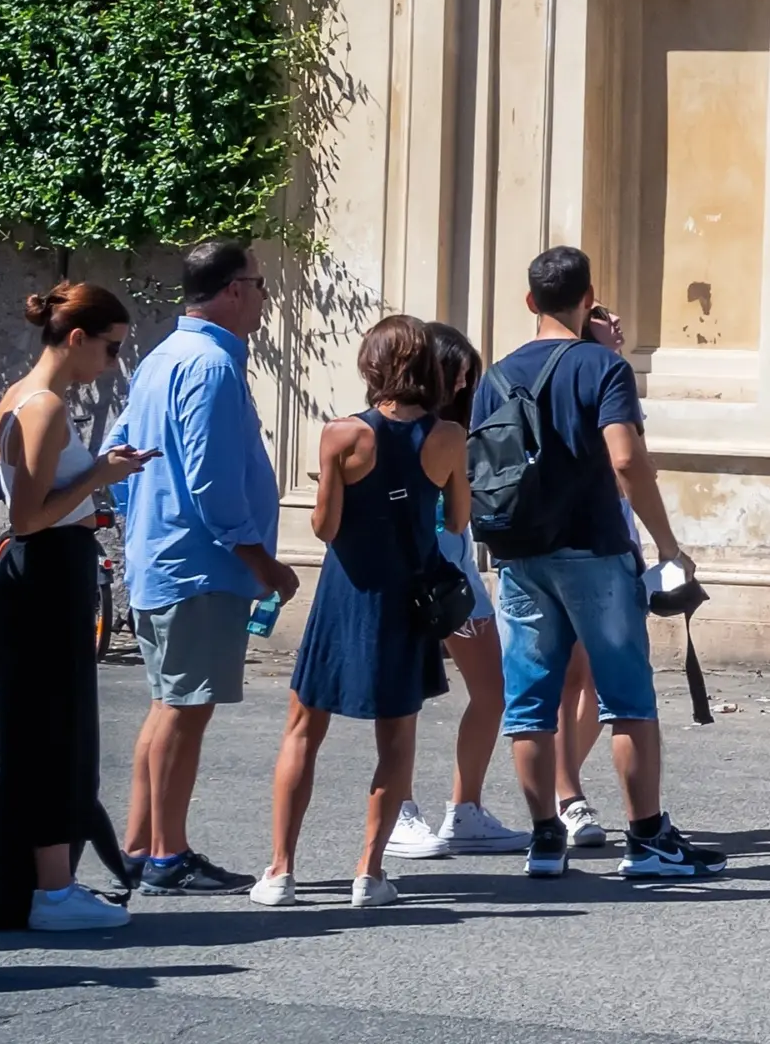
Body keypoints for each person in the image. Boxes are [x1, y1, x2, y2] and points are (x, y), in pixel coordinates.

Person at [480, 246, 717, 884]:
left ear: (530, 302)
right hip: (594, 548)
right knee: (627, 698)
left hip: (520, 553)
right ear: (588, 299)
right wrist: (667, 545)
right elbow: (626, 460)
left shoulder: (494, 377)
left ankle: (544, 837)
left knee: (528, 703)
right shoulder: (603, 369)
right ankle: (645, 840)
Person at [0, 284, 143, 934]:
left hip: (43, 574)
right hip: (46, 571)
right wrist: (99, 476)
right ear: (78, 337)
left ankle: (43, 883)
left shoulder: (23, 395)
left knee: (40, 727)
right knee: (52, 731)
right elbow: (28, 517)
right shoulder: (45, 405)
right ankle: (52, 891)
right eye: (110, 346)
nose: (113, 361)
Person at [254, 317, 468, 905]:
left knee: (303, 727)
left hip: (346, 594)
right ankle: (369, 873)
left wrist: (334, 482)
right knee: (397, 738)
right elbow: (456, 520)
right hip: (407, 598)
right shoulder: (447, 436)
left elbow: (325, 527)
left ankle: (280, 872)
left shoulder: (343, 434)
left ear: (371, 366)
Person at [109, 237, 296, 892]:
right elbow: (213, 484)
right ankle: (166, 853)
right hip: (200, 566)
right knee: (184, 710)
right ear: (233, 290)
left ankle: (139, 846)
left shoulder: (161, 358)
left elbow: (118, 460)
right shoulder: (212, 365)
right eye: (260, 284)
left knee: (168, 705)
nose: (265, 298)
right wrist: (263, 562)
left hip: (163, 559)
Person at [380, 319, 510, 865]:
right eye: (454, 375)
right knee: (404, 697)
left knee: (492, 687)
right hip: (411, 575)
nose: (461, 387)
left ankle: (466, 809)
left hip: (456, 577)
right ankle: (399, 811)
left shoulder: (453, 432)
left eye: (466, 378)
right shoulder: (392, 429)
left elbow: (462, 515)